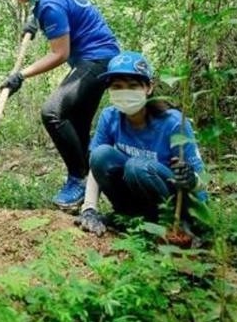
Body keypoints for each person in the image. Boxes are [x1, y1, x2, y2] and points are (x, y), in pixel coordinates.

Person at [0, 0, 120, 211]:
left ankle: (78, 178)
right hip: (102, 57)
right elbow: (49, 3)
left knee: (53, 112)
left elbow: (60, 54)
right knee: (76, 122)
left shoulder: (50, 4)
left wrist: (21, 75)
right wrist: (33, 18)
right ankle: (90, 191)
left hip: (97, 60)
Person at [73, 51, 207, 236]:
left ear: (149, 88)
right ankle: (131, 218)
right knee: (101, 154)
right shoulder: (110, 116)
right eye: (117, 87)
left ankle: (174, 225)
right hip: (137, 197)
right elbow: (96, 165)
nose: (125, 92)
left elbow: (200, 181)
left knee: (137, 166)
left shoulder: (173, 122)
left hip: (174, 203)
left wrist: (198, 212)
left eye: (133, 86)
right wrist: (89, 209)